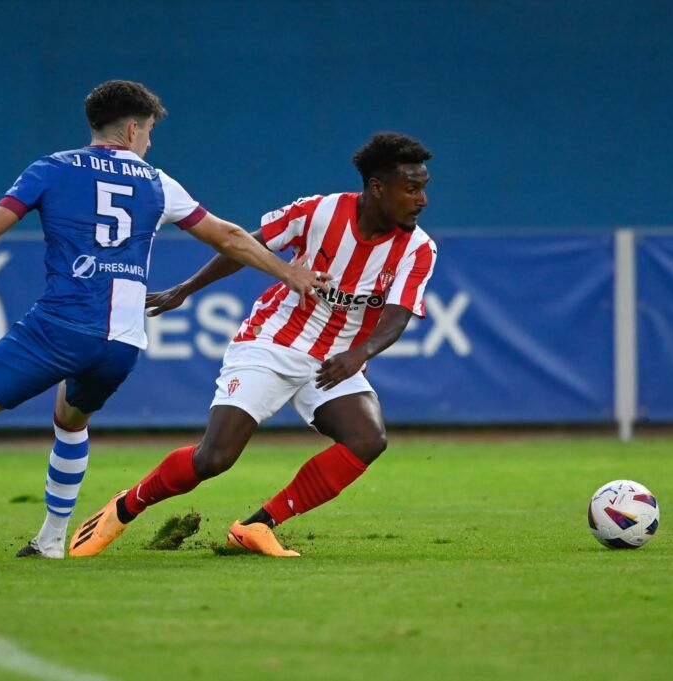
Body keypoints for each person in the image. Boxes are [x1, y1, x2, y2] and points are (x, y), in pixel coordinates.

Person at [0, 80, 326, 559]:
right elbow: (231, 237)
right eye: (151, 131)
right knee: (70, 423)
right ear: (133, 129)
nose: (150, 142)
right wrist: (289, 272)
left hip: (61, 327)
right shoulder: (158, 183)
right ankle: (51, 540)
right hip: (121, 345)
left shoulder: (51, 169)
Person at [69, 132, 437, 558]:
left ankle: (257, 526)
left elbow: (398, 314)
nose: (422, 199)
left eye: (424, 188)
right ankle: (124, 507)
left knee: (368, 438)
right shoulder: (319, 212)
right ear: (377, 188)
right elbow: (245, 245)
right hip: (270, 345)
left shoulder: (418, 249)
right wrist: (187, 288)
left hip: (334, 362)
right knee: (214, 459)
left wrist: (360, 353)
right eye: (412, 188)